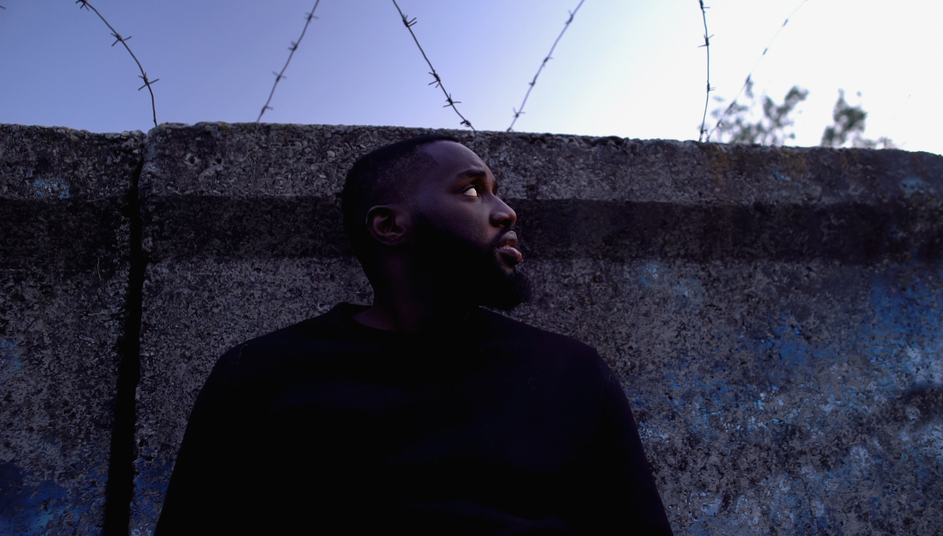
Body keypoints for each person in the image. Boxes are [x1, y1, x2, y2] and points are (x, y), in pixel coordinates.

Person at [154, 135, 673, 535]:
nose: (506, 211)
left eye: (496, 191)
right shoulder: (261, 375)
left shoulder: (571, 372)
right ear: (389, 226)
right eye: (472, 190)